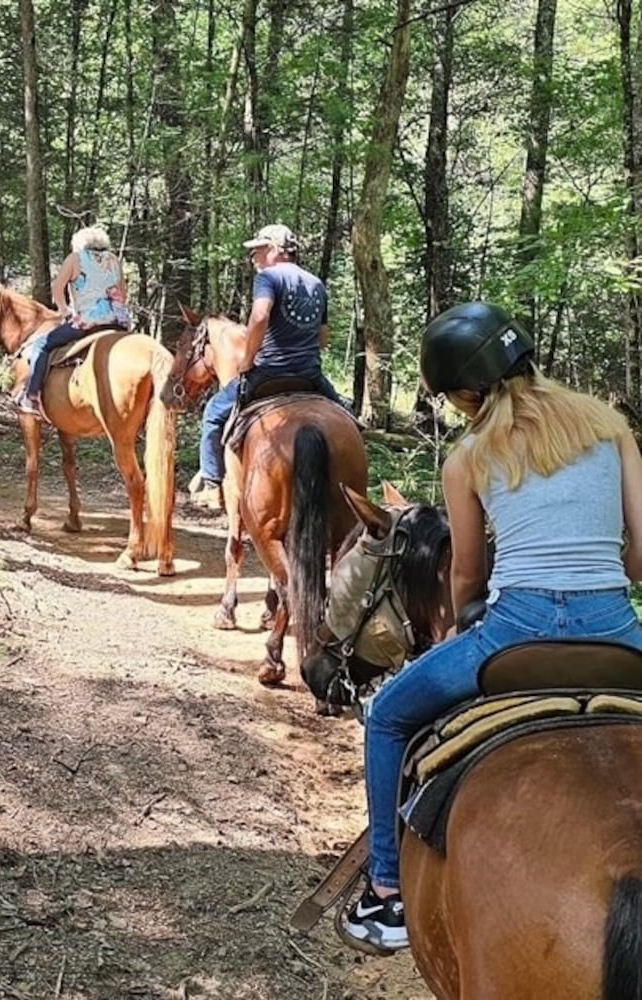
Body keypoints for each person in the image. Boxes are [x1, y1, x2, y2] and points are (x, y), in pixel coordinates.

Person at [345, 301, 642, 952]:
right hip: (619, 633)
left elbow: (468, 578)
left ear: (465, 393)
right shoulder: (609, 427)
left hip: (517, 630)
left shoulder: (470, 455)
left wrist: (459, 627)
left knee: (390, 715)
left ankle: (388, 893)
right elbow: (641, 555)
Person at [191, 223, 350, 509]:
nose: (254, 257)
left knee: (214, 412)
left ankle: (212, 483)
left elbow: (261, 316)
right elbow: (323, 337)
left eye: (259, 250)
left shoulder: (268, 278)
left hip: (269, 372)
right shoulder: (316, 283)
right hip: (310, 374)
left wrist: (248, 360)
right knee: (347, 419)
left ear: (276, 250)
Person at [17, 225, 129, 417]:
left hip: (87, 322)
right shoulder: (114, 260)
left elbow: (58, 287)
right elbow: (123, 294)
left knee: (42, 345)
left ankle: (32, 395)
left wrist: (64, 310)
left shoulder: (76, 258)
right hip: (117, 322)